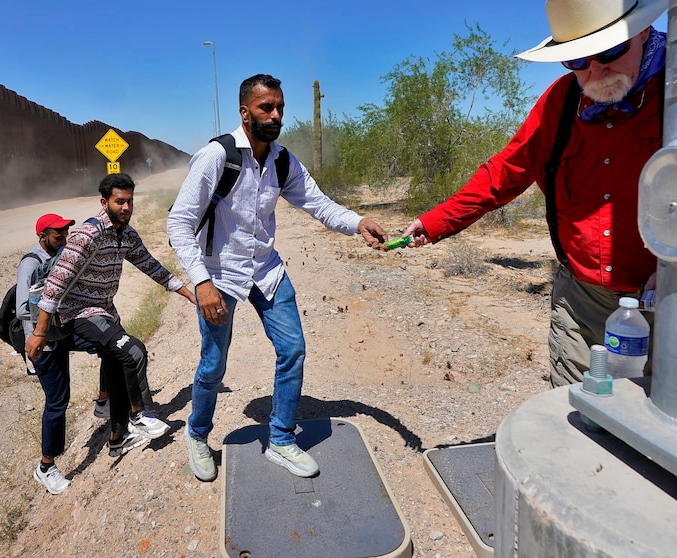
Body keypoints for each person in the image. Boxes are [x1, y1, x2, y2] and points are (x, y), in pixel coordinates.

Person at [400, 0, 664, 388]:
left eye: (609, 51)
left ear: (642, 31)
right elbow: (503, 173)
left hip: (668, 302)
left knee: (659, 428)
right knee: (575, 414)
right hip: (581, 300)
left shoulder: (671, 93)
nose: (595, 71)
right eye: (577, 61)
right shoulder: (561, 103)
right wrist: (435, 221)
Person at [167, 74, 388, 482]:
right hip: (220, 275)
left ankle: (282, 440)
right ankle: (197, 435)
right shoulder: (217, 157)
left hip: (267, 270)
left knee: (293, 349)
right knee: (213, 365)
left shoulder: (282, 160)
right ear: (244, 112)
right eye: (266, 107)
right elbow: (179, 224)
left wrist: (358, 223)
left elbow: (318, 204)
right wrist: (201, 281)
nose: (275, 115)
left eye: (280, 107)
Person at [26, 174, 197, 460]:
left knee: (117, 365)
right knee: (133, 351)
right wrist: (40, 332)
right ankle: (140, 414)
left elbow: (151, 267)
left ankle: (117, 439)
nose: (126, 207)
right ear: (105, 202)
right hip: (79, 312)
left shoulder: (126, 235)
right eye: (120, 201)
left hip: (105, 312)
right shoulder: (87, 234)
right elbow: (56, 282)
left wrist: (191, 295)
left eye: (130, 201)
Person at [18, 213, 107, 494]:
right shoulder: (30, 264)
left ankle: (105, 402)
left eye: (66, 234)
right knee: (58, 402)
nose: (64, 240)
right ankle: (46, 467)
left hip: (61, 332)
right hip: (43, 341)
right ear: (42, 236)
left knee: (107, 344)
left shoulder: (58, 255)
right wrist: (50, 302)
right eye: (58, 236)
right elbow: (23, 308)